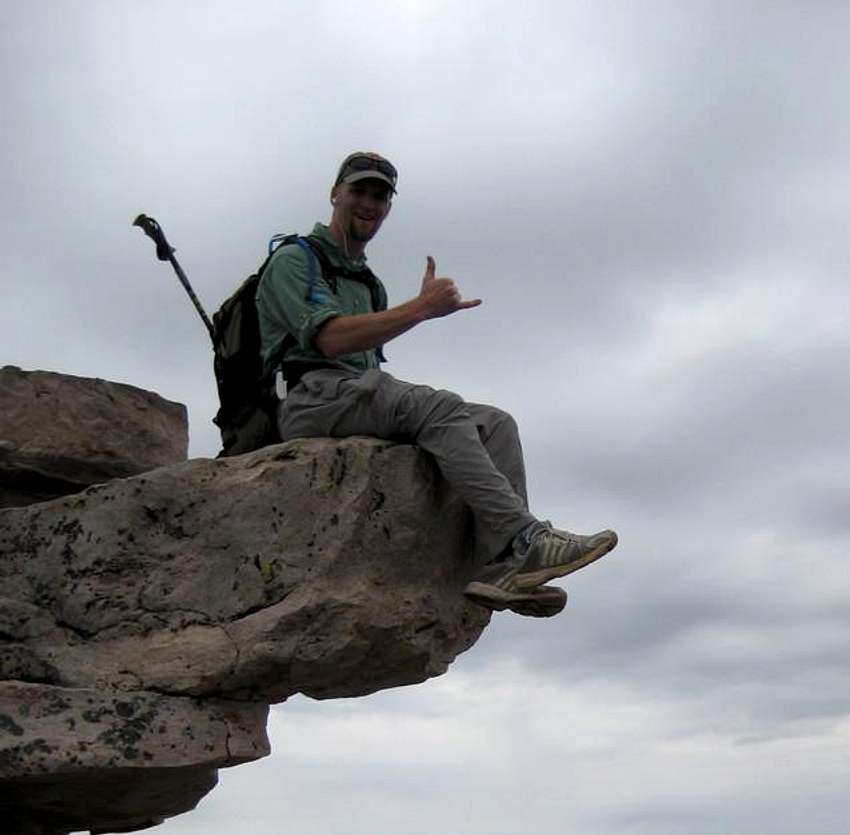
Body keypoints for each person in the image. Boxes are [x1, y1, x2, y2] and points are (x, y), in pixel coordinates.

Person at [256, 152, 617, 618]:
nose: (368, 203)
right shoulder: (294, 259)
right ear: (335, 194)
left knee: (495, 424)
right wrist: (421, 308)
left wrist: (411, 313)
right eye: (359, 191)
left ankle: (504, 568)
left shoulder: (368, 283)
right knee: (439, 406)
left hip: (356, 391)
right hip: (310, 397)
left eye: (380, 196)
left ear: (388, 207)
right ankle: (526, 537)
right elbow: (329, 339)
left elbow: (369, 365)